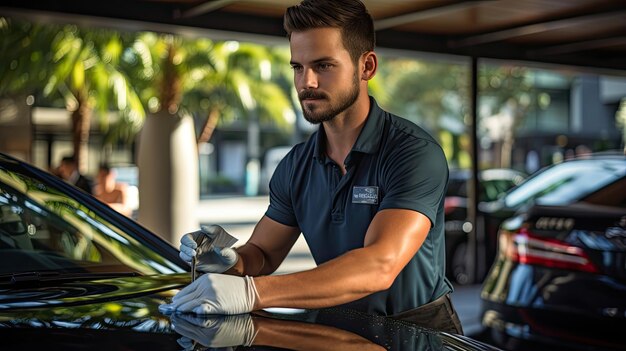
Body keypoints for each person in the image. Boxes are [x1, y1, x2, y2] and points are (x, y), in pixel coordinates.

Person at [162, 0, 462, 334]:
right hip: (339, 330)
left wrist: (254, 293)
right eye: (297, 67)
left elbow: (380, 265)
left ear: (367, 66)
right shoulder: (295, 165)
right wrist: (228, 262)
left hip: (420, 333)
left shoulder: (413, 152)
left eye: (323, 66)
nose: (308, 83)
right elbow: (263, 252)